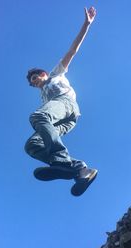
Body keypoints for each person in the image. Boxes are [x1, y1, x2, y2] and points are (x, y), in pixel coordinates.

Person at [24, 6, 98, 196]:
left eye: (34, 79)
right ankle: (80, 169)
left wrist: (86, 25)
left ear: (42, 74)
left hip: (66, 104)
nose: (34, 83)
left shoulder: (56, 73)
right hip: (64, 120)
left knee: (38, 116)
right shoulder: (43, 96)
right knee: (32, 145)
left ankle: (61, 159)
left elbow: (72, 50)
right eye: (32, 83)